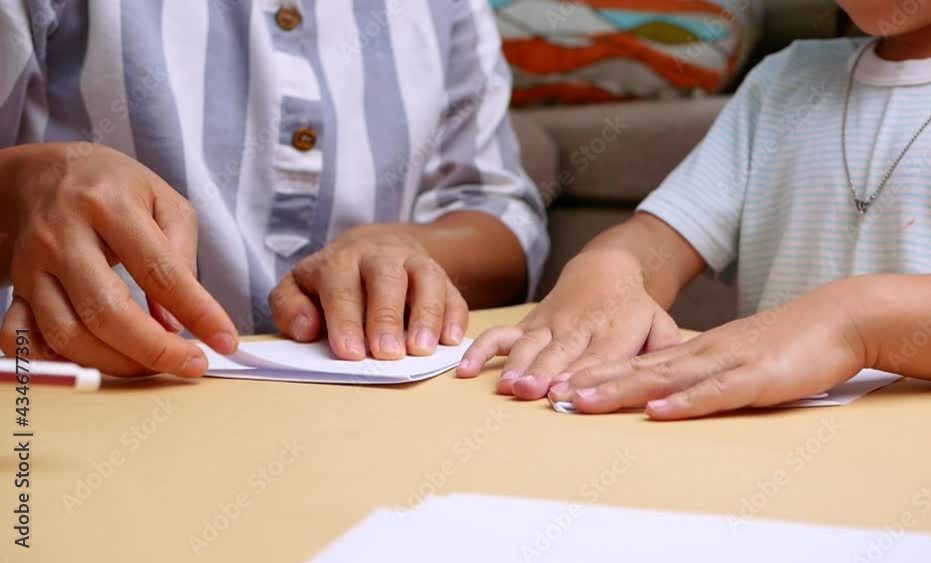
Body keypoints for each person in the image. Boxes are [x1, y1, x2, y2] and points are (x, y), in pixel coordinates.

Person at [459, 0, 931, 420]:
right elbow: (656, 241)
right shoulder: (783, 81)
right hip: (764, 459)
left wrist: (858, 321)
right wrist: (609, 267)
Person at [0, 0, 547, 377]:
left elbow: (495, 204)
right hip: (79, 401)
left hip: (370, 418)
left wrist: (414, 248)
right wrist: (19, 189)